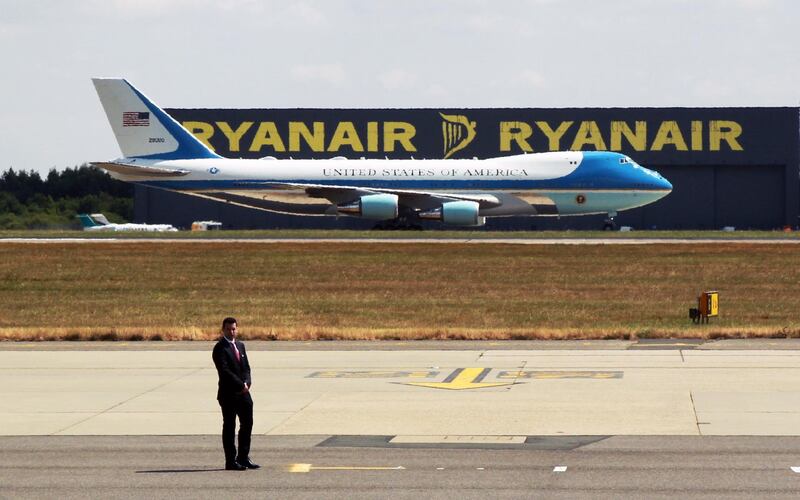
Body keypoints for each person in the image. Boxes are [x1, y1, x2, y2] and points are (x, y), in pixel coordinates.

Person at [212, 317, 259, 470]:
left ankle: (243, 457)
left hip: (244, 393)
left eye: (234, 329)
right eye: (228, 329)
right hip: (229, 394)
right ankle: (230, 461)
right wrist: (240, 385)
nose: (231, 332)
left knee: (247, 423)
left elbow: (246, 367)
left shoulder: (240, 345)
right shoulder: (220, 348)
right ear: (223, 330)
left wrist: (247, 382)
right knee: (230, 426)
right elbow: (224, 371)